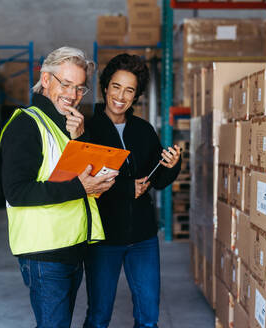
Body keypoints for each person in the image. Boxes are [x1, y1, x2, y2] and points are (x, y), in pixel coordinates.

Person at [0, 46, 118, 328]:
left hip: (71, 248)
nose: (72, 95)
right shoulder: (26, 125)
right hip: (45, 253)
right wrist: (81, 187)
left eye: (79, 88)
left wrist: (80, 140)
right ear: (46, 78)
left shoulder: (67, 126)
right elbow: (16, 192)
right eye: (66, 84)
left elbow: (73, 176)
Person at [83, 54, 182, 328]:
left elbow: (158, 179)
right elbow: (83, 183)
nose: (121, 96)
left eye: (129, 90)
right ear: (105, 87)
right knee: (99, 316)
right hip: (103, 238)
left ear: (136, 95)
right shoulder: (88, 130)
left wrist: (172, 165)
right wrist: (127, 188)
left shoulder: (143, 130)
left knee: (149, 318)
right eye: (116, 86)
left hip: (143, 238)